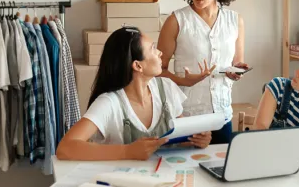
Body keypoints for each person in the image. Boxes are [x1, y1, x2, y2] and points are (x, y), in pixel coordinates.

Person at [56, 26, 212, 161]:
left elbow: (179, 136)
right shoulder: (109, 103)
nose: (160, 53)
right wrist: (127, 151)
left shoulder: (167, 87)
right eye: (152, 48)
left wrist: (196, 139)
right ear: (138, 65)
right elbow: (65, 148)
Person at [158, 0, 248, 145]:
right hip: (187, 117)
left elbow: (237, 62)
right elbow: (156, 70)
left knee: (221, 169)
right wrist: (182, 80)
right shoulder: (176, 21)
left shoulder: (235, 21)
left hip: (222, 115)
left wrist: (237, 71)